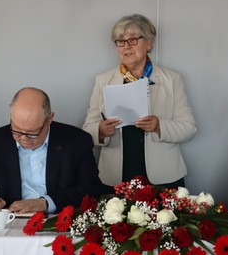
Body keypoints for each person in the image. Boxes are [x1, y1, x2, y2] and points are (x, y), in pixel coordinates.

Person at [83, 14, 197, 188]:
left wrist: (159, 126)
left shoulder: (172, 79)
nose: (126, 46)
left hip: (164, 175)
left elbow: (189, 128)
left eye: (133, 40)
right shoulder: (103, 80)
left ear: (148, 44)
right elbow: (87, 131)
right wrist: (100, 131)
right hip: (116, 175)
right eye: (120, 41)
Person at [0, 87, 104, 214]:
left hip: (58, 222)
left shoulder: (76, 141)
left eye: (32, 133)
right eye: (16, 130)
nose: (23, 138)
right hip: (8, 223)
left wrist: (46, 203)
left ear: (49, 119)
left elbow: (92, 189)